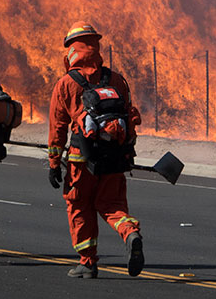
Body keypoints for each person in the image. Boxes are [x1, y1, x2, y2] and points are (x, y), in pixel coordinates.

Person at [47, 22, 144, 279]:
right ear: (96, 46)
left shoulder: (66, 84)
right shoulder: (116, 80)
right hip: (114, 156)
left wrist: (54, 163)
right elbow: (129, 116)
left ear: (71, 50)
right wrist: (128, 152)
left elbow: (58, 128)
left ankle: (87, 262)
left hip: (82, 160)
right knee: (111, 205)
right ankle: (130, 232)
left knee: (79, 206)